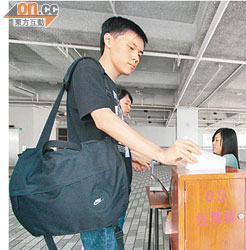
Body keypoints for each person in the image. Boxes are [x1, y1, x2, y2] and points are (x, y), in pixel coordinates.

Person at [66, 16, 200, 250]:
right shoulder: (88, 69)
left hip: (113, 194)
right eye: (131, 47)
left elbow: (105, 141)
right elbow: (104, 121)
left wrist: (130, 155)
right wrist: (161, 153)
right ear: (108, 40)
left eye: (140, 53)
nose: (136, 56)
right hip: (98, 197)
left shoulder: (109, 87)